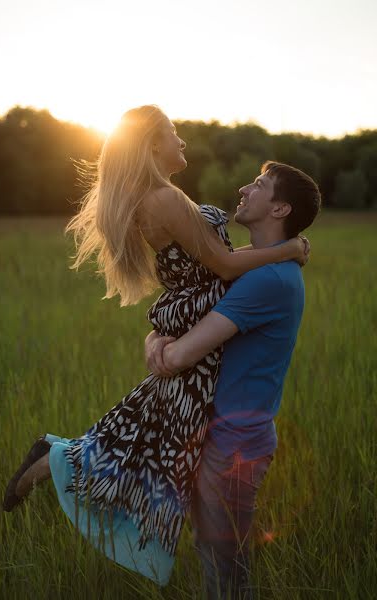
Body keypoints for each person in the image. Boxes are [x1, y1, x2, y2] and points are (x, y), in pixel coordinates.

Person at [3, 105, 308, 586]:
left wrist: (163, 335)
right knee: (150, 459)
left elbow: (220, 260)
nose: (182, 141)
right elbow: (225, 268)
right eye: (172, 133)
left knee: (141, 444)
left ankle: (54, 456)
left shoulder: (162, 197)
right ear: (150, 146)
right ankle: (57, 460)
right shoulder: (162, 199)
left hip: (195, 331)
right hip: (198, 342)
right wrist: (290, 249)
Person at [145, 160, 321, 598]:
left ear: (279, 210)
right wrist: (156, 337)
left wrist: (158, 347)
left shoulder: (267, 281)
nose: (244, 188)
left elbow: (184, 352)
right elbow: (187, 310)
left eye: (259, 185)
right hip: (227, 436)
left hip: (235, 444)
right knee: (216, 558)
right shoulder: (261, 271)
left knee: (225, 572)